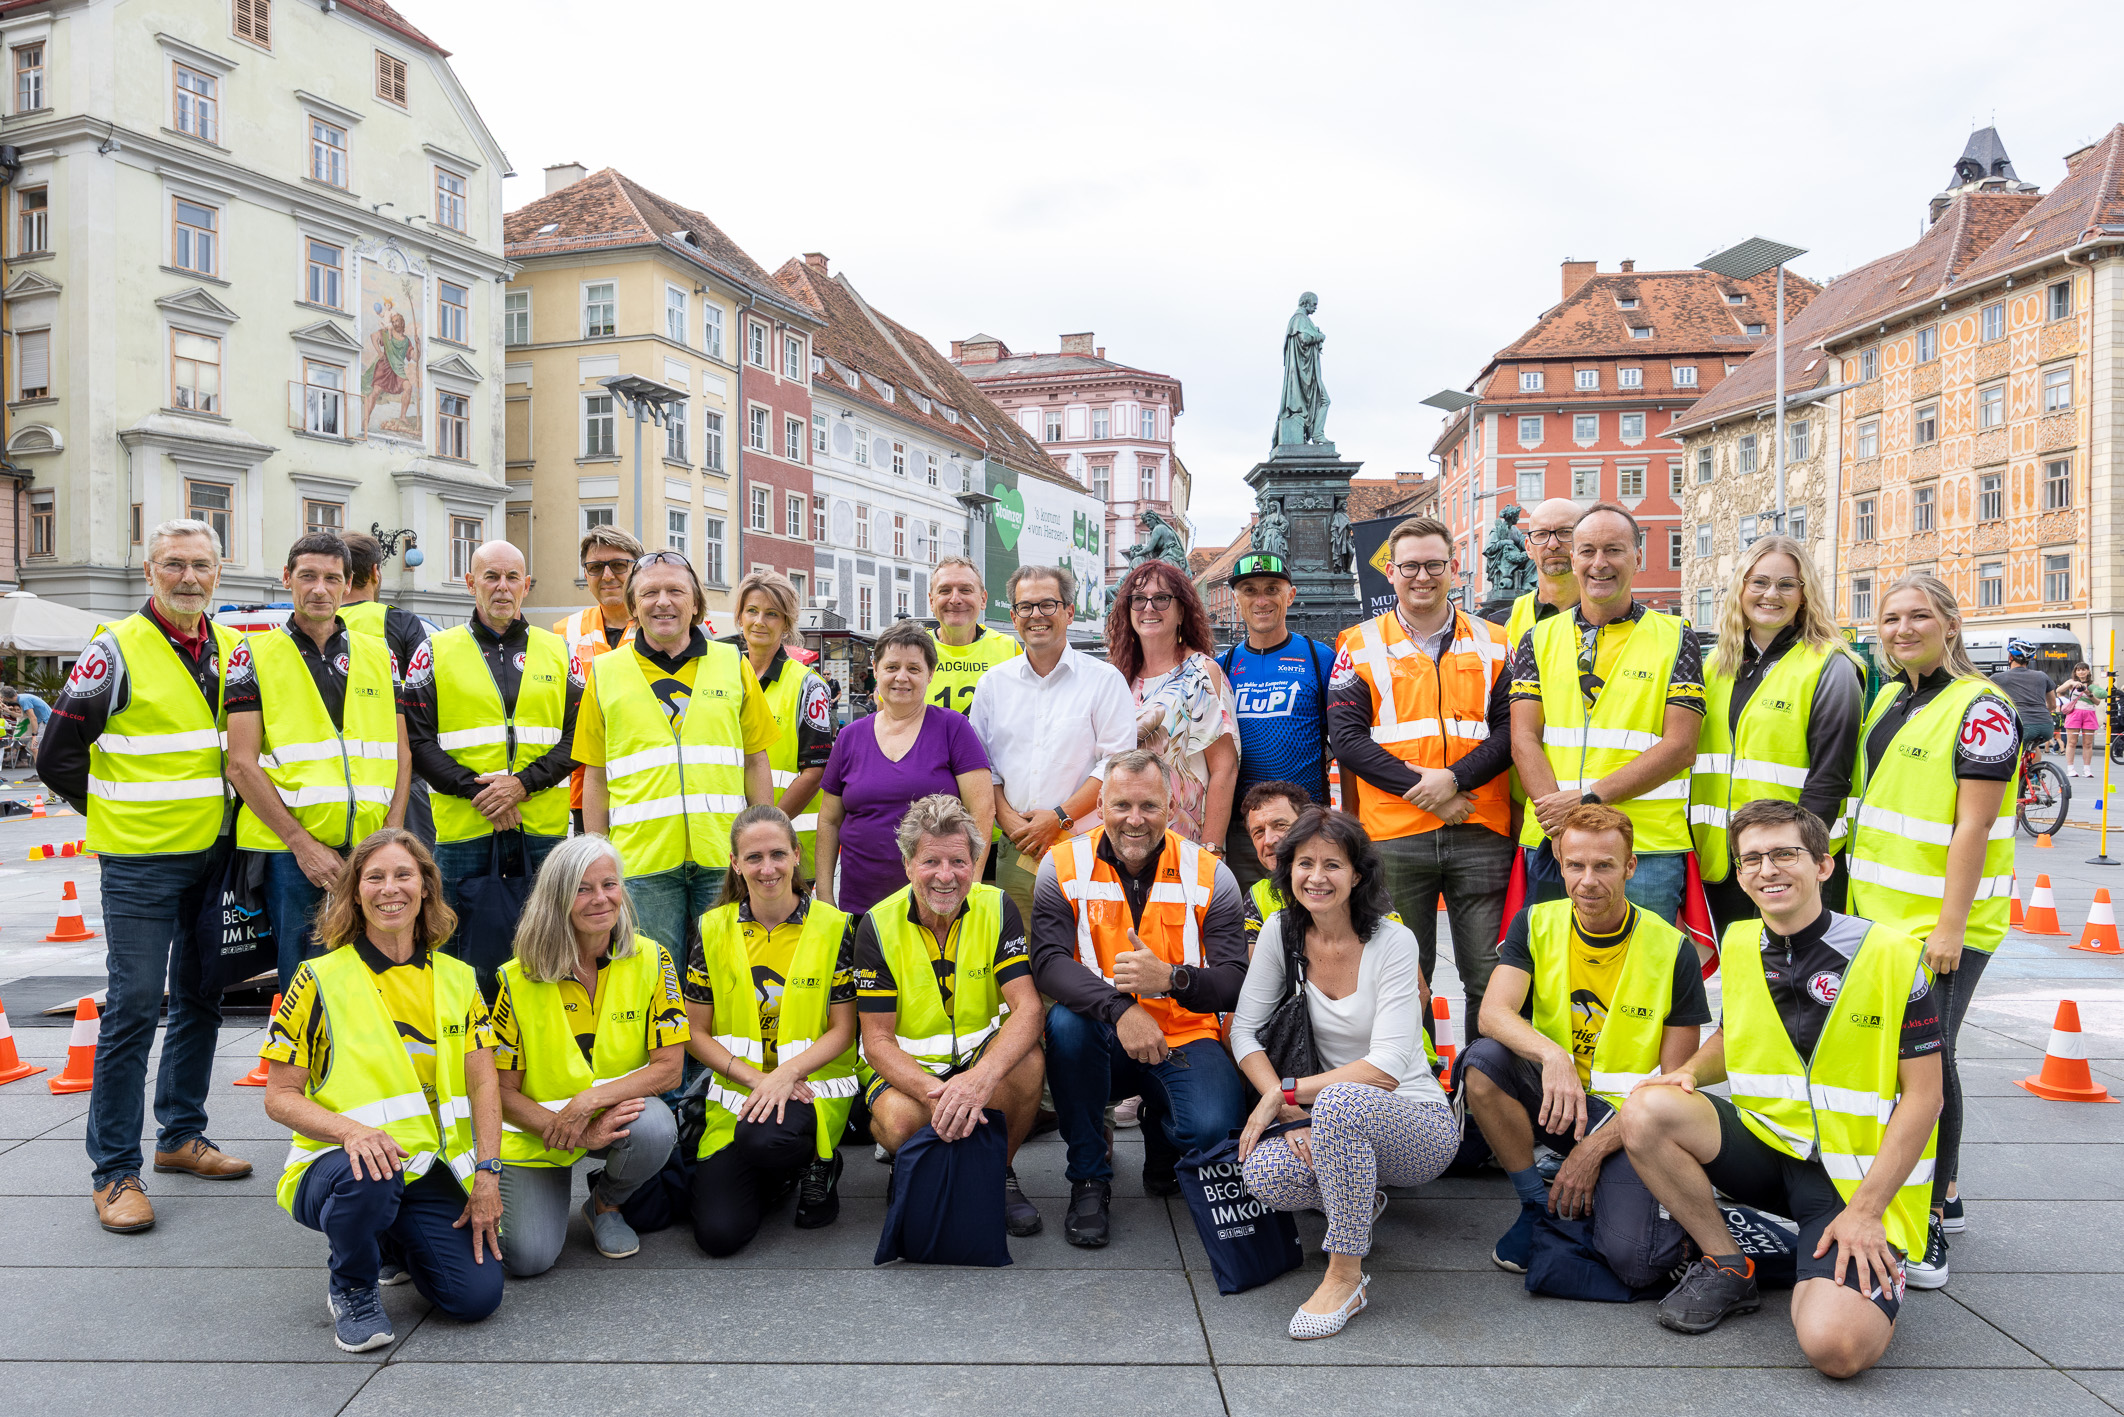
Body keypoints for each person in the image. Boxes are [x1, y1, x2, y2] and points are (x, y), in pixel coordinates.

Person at [1622, 799, 1942, 1377]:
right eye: (1752, 859)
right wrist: (1690, 1072)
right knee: (1646, 1110)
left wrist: (1868, 1211)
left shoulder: (1892, 955)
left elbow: (1925, 1097)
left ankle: (1825, 1266)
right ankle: (1730, 1265)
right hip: (1771, 1148)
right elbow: (1736, 1033)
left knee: (1836, 1350)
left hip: (1853, 1178)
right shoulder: (1742, 943)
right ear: (1740, 876)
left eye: (1784, 854)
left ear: (1823, 866)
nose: (1767, 869)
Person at [36, 518, 251, 1233]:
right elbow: (56, 755)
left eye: (200, 564)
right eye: (173, 564)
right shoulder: (115, 648)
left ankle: (181, 1135)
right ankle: (114, 1171)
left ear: (218, 571)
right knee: (132, 1007)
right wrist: (117, 817)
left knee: (201, 996)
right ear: (149, 569)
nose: (188, 576)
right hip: (141, 865)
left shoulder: (230, 650)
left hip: (213, 855)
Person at [259, 829, 505, 1352]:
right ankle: (352, 1286)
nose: (389, 889)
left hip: (424, 1167)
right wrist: (353, 1132)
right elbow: (279, 1096)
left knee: (475, 1299)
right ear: (354, 893)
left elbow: (484, 1080)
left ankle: (390, 1235)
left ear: (425, 889)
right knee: (371, 1175)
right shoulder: (317, 979)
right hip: (336, 1167)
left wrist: (487, 1172)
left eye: (403, 875)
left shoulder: (459, 979)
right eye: (374, 877)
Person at [1847, 573, 2016, 1285]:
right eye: (1890, 618)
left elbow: (1973, 825)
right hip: (1882, 918)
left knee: (1927, 1066)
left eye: (1919, 616)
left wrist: (1949, 927)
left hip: (1941, 926)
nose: (1902, 628)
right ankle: (1946, 1190)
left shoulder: (1983, 708)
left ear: (1951, 623)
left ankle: (1935, 1214)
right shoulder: (1891, 695)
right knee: (1917, 1060)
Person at [1233, 808, 1459, 1339]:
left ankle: (1345, 1275)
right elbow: (1243, 1031)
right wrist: (1285, 1104)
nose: (1317, 876)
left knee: (1339, 1103)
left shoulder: (1394, 942)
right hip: (1325, 1112)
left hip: (1416, 1121)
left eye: (1332, 864)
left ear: (1358, 874)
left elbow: (1384, 1069)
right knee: (1263, 1175)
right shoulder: (1280, 933)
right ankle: (1359, 1196)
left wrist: (1289, 1092)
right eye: (1304, 863)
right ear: (1286, 871)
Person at [1461, 804, 1711, 1273]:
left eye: (1604, 866)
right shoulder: (1536, 922)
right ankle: (1536, 1203)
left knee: (1636, 1261)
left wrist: (1591, 1151)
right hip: (1559, 1099)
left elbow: (1677, 1085)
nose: (1588, 881)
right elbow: (1493, 1014)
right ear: (1561, 863)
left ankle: (1594, 1189)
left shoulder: (1672, 949)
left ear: (1631, 866)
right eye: (1575, 865)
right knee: (1484, 1061)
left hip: (1628, 1118)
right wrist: (1552, 1055)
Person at [1033, 749, 1248, 1247]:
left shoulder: (1211, 873)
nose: (1135, 819)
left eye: (1149, 806)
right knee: (1064, 1026)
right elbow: (1048, 963)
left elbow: (1235, 979)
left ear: (1172, 808)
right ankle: (1088, 1177)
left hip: (1184, 1035)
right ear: (1100, 806)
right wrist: (1122, 1009)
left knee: (1214, 1131)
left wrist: (1172, 979)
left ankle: (1162, 1132)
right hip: (1102, 1034)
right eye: (1122, 805)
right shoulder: (1061, 863)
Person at [1330, 514, 1515, 1036]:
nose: (1422, 577)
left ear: (1454, 568)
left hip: (1479, 828)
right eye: (1410, 566)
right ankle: (1419, 1101)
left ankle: (1483, 1097)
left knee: (1489, 978)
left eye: (1434, 564)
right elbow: (1348, 741)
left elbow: (1508, 734)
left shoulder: (1496, 641)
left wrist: (1452, 781)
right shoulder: (1356, 645)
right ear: (1390, 571)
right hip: (1392, 837)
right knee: (1405, 982)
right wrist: (1431, 793)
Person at [490, 834, 685, 1274]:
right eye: (582, 888)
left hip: (613, 1116)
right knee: (528, 1260)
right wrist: (570, 1130)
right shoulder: (515, 979)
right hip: (540, 1130)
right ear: (557, 899)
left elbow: (670, 1070)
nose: (601, 899)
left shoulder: (653, 959)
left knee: (656, 1126)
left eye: (609, 885)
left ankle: (605, 1204)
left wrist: (590, 1103)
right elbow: (501, 1092)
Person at [856, 794, 1046, 1239]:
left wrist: (979, 1080)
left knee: (1030, 1063)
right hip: (912, 1075)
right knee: (899, 1121)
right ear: (907, 865)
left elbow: (1028, 1008)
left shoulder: (998, 906)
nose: (946, 876)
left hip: (978, 1063)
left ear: (976, 863)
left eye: (959, 861)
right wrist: (935, 1092)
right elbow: (877, 1041)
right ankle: (914, 1164)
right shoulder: (876, 925)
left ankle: (1000, 1173)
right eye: (931, 862)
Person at [226, 532, 410, 992]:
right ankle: (305, 1066)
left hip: (369, 845)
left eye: (332, 578)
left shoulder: (379, 655)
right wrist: (301, 845)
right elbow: (241, 764)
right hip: (291, 853)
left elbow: (401, 755)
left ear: (349, 584)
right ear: (287, 579)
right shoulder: (252, 654)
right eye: (307, 576)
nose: (319, 589)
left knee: (378, 976)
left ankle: (364, 1065)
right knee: (305, 981)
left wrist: (391, 836)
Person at [1510, 504, 1704, 920]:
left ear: (1638, 556)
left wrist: (1584, 802)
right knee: (1551, 974)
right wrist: (1562, 826)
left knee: (1646, 975)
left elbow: (1681, 746)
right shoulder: (1536, 639)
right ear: (1574, 559)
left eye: (1613, 550)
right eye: (1587, 551)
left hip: (1646, 848)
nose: (1599, 564)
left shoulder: (1676, 638)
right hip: (1556, 843)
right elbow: (1524, 738)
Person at [577, 550, 776, 953]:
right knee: (655, 977)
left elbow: (756, 761)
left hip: (724, 856)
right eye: (649, 592)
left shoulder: (732, 664)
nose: (662, 601)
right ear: (634, 606)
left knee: (729, 973)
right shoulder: (605, 672)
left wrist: (761, 842)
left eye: (674, 591)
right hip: (641, 862)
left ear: (696, 603)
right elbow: (594, 775)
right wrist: (597, 855)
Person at [686, 805, 860, 1254]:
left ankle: (816, 1165)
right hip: (739, 1094)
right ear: (735, 863)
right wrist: (759, 1081)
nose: (768, 868)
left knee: (766, 1137)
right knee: (718, 1236)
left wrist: (785, 1077)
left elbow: (844, 1030)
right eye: (754, 857)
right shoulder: (710, 929)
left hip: (811, 1089)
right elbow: (695, 1033)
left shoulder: (834, 926)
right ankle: (777, 1175)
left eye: (778, 854)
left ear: (797, 855)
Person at [403, 540, 579, 957]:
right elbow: (417, 739)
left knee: (544, 952)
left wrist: (520, 786)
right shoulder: (433, 651)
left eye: (512, 577)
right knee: (460, 954)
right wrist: (483, 793)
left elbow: (579, 736)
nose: (502, 587)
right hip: (465, 831)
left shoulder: (559, 652)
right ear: (470, 583)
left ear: (526, 585)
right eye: (491, 577)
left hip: (541, 831)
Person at [1690, 536, 1863, 931]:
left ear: (1805, 595)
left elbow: (1831, 776)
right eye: (1759, 582)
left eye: (1787, 584)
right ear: (1741, 589)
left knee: (1799, 984)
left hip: (1792, 865)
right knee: (1741, 981)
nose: (1771, 594)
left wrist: (1800, 858)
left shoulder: (1831, 667)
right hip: (1726, 862)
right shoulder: (1716, 663)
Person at [967, 564, 1135, 920]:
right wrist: (1010, 822)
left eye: (1048, 605)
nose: (1036, 616)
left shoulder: (1104, 681)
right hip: (1018, 848)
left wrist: (1058, 819)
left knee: (1088, 952)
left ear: (1069, 612)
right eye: (1025, 607)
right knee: (1021, 955)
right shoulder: (993, 685)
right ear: (1013, 617)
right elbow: (983, 767)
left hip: (1087, 846)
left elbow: (1116, 766)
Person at [816, 619, 993, 917]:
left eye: (913, 669)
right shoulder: (849, 737)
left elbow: (982, 811)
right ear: (875, 670)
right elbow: (829, 821)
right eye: (891, 667)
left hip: (936, 905)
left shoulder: (953, 728)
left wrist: (970, 887)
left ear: (930, 674)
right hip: (860, 905)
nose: (902, 677)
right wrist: (824, 896)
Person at [1102, 558, 1238, 849]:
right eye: (1138, 599)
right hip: (1124, 841)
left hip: (1183, 841)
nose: (1148, 608)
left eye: (1161, 598)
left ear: (1181, 612)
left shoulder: (1199, 674)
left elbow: (1224, 769)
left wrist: (1211, 851)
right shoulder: (1117, 677)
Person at [1218, 552, 1333, 887]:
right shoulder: (1221, 667)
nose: (1262, 600)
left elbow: (1347, 743)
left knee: (1309, 926)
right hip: (1245, 830)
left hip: (1307, 824)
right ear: (1237, 599)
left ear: (1291, 595)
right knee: (1247, 927)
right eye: (1250, 590)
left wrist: (1351, 820)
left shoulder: (1319, 657)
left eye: (1272, 589)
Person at [732, 571, 836, 875]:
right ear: (740, 617)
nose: (759, 621)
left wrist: (766, 830)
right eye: (752, 611)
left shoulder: (808, 685)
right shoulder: (725, 677)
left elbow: (816, 770)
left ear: (787, 623)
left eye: (772, 614)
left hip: (787, 845)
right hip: (730, 841)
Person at [341, 531, 434, 843]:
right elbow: (423, 703)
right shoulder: (401, 623)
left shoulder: (315, 624)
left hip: (332, 780)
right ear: (375, 573)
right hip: (398, 776)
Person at [555, 526, 644, 832]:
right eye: (595, 567)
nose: (607, 576)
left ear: (639, 570)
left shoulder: (660, 629)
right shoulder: (563, 632)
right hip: (581, 791)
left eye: (619, 565)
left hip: (646, 789)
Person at [926, 555, 1021, 713]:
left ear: (983, 599)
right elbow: (888, 715)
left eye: (965, 590)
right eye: (944, 591)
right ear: (931, 601)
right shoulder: (915, 649)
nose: (955, 599)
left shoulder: (1009, 649)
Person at [1500, 497, 1582, 649]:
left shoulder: (1613, 619)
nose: (1552, 544)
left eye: (1565, 532)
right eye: (1541, 534)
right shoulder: (1499, 626)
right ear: (1528, 548)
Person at [1238, 779, 1313, 945]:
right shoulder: (1257, 896)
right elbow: (1251, 967)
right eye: (1258, 832)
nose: (1269, 840)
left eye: (1280, 825)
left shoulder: (1349, 878)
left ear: (1308, 826)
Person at [1993, 639, 2057, 756]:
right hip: (2046, 727)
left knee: (2008, 756)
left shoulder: (1998, 678)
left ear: (2010, 657)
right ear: (2029, 659)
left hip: (2023, 725)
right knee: (2032, 747)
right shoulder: (2042, 676)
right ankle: (2034, 773)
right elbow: (2053, 705)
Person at [2060, 661, 2101, 777]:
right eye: (2078, 670)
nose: (2081, 672)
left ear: (2088, 671)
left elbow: (2097, 702)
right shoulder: (2071, 683)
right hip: (2074, 713)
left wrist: (2089, 693)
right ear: (2075, 672)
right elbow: (2058, 690)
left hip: (2089, 713)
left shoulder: (2094, 685)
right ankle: (2070, 768)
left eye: (2084, 669)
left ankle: (2087, 769)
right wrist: (2072, 683)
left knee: (2088, 743)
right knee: (2072, 742)